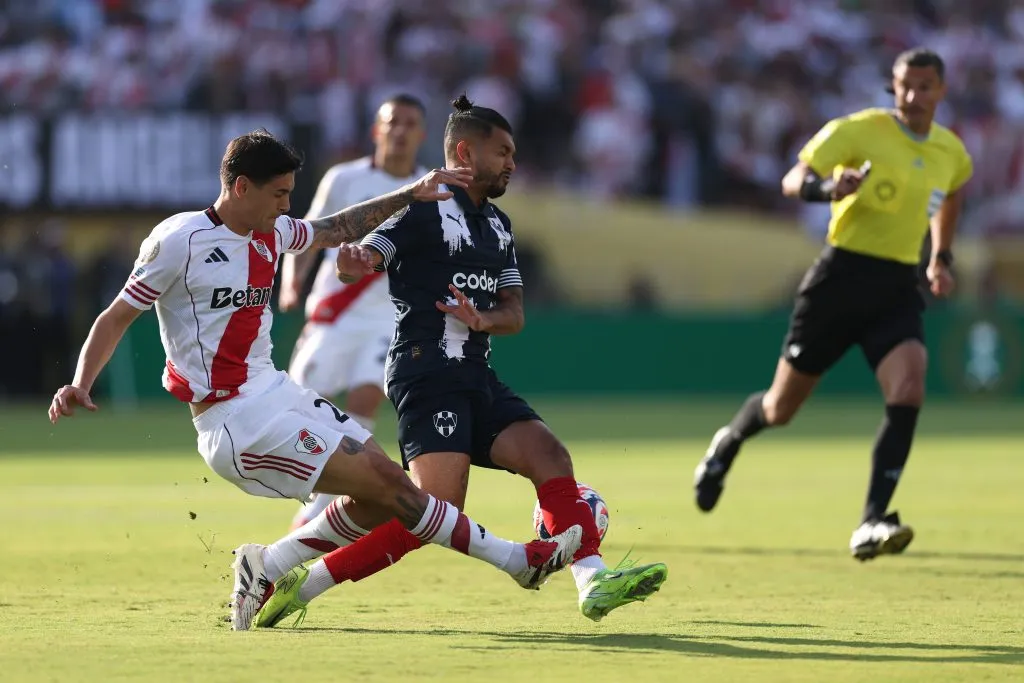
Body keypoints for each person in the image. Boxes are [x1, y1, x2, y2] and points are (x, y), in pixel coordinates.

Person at [47, 129, 584, 631]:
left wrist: (412, 193)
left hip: (278, 393)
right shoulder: (179, 241)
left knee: (379, 490)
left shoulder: (272, 232)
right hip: (235, 420)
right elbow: (116, 315)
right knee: (399, 490)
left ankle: (268, 564)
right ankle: (516, 560)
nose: (287, 206)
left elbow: (336, 228)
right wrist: (80, 381)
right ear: (240, 187)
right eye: (279, 193)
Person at [253, 96, 668, 629]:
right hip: (425, 373)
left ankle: (592, 581)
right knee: (432, 510)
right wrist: (355, 262)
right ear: (466, 152)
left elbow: (514, 313)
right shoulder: (421, 212)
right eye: (504, 152)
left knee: (549, 454)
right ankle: (300, 580)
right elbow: (371, 254)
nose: (512, 163)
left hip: (476, 373)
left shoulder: (498, 226)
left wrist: (482, 320)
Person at [693, 48, 974, 561]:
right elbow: (792, 179)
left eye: (925, 86)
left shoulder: (950, 152)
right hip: (839, 279)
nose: (913, 96)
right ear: (893, 86)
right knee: (780, 409)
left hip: (896, 286)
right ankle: (727, 444)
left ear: (942, 90)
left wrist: (941, 257)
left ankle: (872, 520)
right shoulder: (857, 131)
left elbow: (951, 194)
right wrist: (828, 187)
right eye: (904, 85)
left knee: (909, 387)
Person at [280, 94, 429, 531]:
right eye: (392, 122)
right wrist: (292, 282)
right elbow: (310, 232)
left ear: (421, 134)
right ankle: (321, 487)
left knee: (368, 392)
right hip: (335, 312)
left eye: (410, 123)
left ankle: (318, 508)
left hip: (389, 317)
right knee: (306, 404)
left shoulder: (431, 189)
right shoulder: (344, 178)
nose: (400, 130)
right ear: (376, 130)